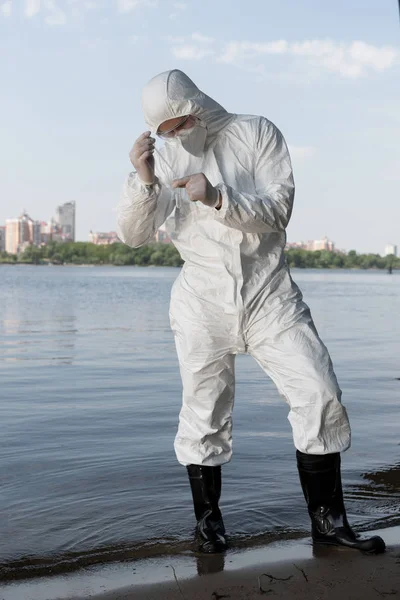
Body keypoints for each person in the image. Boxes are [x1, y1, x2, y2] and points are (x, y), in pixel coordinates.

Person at [117, 69, 385, 555]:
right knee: (204, 412)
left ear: (195, 106)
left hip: (270, 296)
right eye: (164, 131)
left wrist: (217, 196)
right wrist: (143, 179)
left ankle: (328, 522)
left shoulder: (257, 133)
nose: (174, 136)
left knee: (319, 391)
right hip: (201, 303)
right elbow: (133, 236)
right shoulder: (164, 157)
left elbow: (279, 210)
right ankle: (208, 525)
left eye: (178, 124)